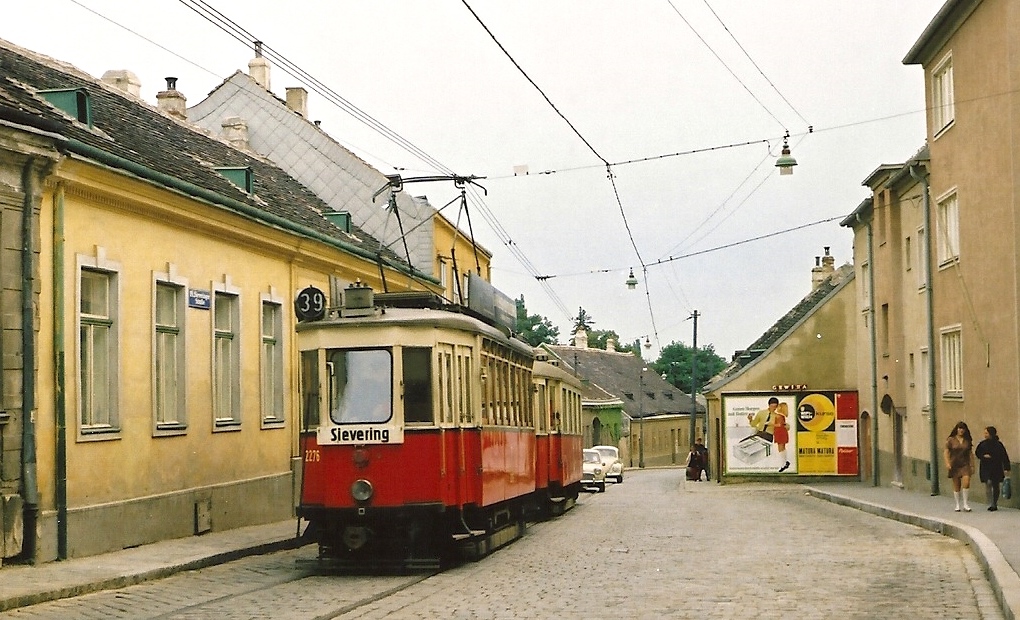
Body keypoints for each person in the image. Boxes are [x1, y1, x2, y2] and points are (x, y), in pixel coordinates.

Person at [975, 425, 1011, 511]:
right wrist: (983, 456)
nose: (985, 435)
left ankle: (995, 503)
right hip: (985, 467)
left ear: (991, 434)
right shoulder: (982, 444)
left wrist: (1007, 468)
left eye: (986, 433)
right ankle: (990, 502)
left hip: (996, 467)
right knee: (988, 482)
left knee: (996, 485)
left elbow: (1004, 456)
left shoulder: (999, 445)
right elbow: (977, 453)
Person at [944, 421, 974, 512]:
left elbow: (970, 453)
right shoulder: (951, 440)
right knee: (957, 485)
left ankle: (965, 503)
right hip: (955, 464)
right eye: (959, 428)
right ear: (956, 429)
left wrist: (972, 465)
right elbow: (946, 452)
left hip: (965, 464)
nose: (961, 430)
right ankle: (957, 504)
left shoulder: (967, 441)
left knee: (966, 481)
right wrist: (947, 463)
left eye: (963, 429)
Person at [774, 402, 791, 472]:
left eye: (778, 407)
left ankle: (783, 464)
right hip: (782, 432)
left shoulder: (778, 416)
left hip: (779, 433)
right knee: (783, 448)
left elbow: (778, 425)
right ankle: (785, 462)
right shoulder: (782, 416)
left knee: (780, 449)